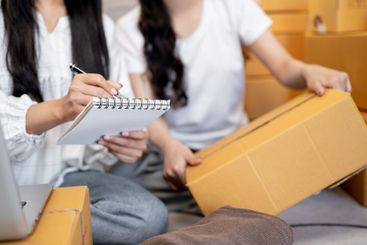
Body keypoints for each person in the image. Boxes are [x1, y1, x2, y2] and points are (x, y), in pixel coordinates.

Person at [111, 0, 352, 213]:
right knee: (122, 188)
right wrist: (169, 146)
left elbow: (284, 66)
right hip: (173, 155)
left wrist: (308, 71)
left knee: (283, 177)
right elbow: (147, 111)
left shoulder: (234, 5)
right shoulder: (129, 27)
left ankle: (214, 201)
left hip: (232, 145)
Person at [0, 0, 167, 244]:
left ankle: (30, 228)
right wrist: (60, 109)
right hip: (9, 183)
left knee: (149, 215)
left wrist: (125, 142)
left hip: (68, 178)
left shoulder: (102, 25)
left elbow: (120, 105)